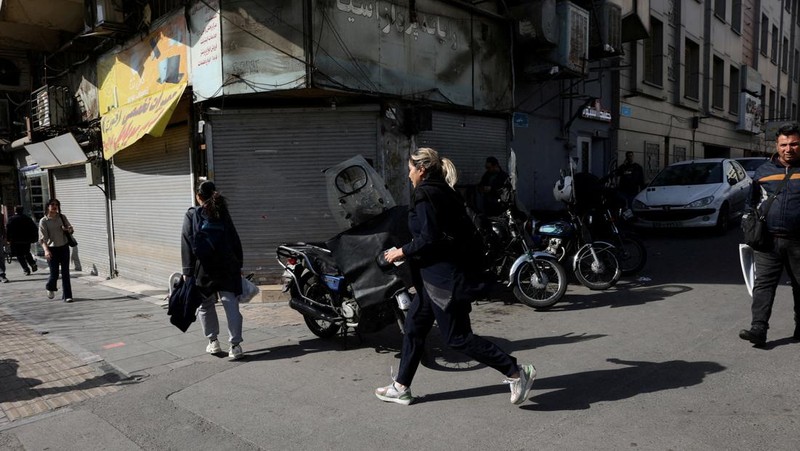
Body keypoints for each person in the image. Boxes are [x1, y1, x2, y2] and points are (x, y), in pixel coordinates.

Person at [376, 147, 535, 406]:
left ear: (421, 170)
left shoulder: (425, 194)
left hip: (443, 282)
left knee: (457, 337)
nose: (408, 175)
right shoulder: (444, 191)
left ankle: (516, 372)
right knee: (414, 329)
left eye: (410, 170)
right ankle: (401, 387)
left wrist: (400, 252)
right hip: (432, 280)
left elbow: (429, 238)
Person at [739, 123, 800, 346]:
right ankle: (758, 329)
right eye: (784, 145)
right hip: (768, 240)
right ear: (777, 145)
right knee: (763, 285)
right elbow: (751, 201)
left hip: (798, 241)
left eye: (794, 144)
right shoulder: (763, 171)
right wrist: (748, 222)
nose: (788, 149)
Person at [181, 180, 245, 360]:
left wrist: (187, 271)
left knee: (205, 305)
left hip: (203, 268)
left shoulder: (192, 214)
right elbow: (234, 239)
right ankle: (235, 346)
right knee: (230, 303)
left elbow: (186, 242)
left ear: (198, 196)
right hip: (227, 266)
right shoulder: (222, 212)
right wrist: (239, 264)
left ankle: (213, 342)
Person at [39, 199, 74, 302]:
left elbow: (71, 230)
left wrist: (69, 229)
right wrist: (46, 250)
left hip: (64, 247)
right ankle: (50, 286)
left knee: (65, 273)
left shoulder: (62, 217)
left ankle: (67, 296)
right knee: (54, 273)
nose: (55, 206)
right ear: (48, 206)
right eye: (52, 204)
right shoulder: (44, 221)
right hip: (52, 249)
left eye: (57, 205)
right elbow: (42, 239)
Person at [6, 205, 39, 276]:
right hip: (26, 240)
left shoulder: (11, 219)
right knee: (27, 252)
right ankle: (32, 263)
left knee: (19, 255)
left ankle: (26, 269)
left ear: (15, 211)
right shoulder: (27, 218)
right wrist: (34, 237)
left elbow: (8, 230)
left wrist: (8, 239)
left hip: (15, 240)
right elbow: (34, 228)